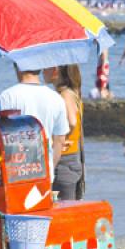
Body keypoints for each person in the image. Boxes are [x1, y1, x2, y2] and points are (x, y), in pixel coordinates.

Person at [0, 67, 69, 181]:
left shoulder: (7, 96)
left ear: (17, 66)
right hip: (45, 174)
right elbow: (59, 141)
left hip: (15, 173)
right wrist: (50, 167)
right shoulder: (56, 98)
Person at [44, 65, 84, 200]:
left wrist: (62, 138)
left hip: (64, 160)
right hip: (72, 157)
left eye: (46, 67)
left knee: (63, 210)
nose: (43, 70)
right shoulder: (73, 93)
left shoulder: (64, 95)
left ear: (55, 71)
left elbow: (72, 121)